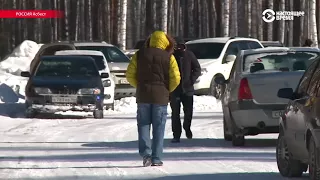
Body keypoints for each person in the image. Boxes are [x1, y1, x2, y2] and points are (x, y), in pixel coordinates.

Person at [126, 31, 180, 167]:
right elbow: (176, 78)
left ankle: (146, 155)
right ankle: (156, 158)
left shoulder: (139, 55)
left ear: (150, 41)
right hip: (160, 97)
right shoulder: (169, 57)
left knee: (143, 125)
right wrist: (167, 90)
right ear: (166, 42)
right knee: (159, 128)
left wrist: (139, 85)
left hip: (143, 95)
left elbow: (129, 75)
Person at [170, 37, 201, 143]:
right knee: (175, 113)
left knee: (188, 112)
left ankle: (187, 127)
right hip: (175, 89)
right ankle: (176, 135)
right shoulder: (171, 56)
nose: (179, 48)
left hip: (188, 89)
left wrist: (191, 80)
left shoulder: (189, 55)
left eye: (181, 46)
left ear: (184, 46)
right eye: (177, 46)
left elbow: (197, 68)